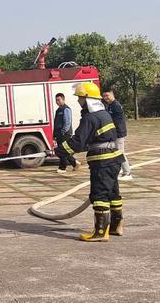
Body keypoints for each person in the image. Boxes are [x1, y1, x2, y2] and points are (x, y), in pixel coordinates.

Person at [55, 82, 125, 241]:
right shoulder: (104, 114)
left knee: (99, 194)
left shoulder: (90, 117)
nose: (79, 101)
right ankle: (116, 226)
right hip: (114, 159)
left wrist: (59, 150)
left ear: (86, 98)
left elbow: (78, 142)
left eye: (80, 97)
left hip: (102, 162)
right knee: (113, 194)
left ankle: (100, 232)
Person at [102, 89, 132, 181]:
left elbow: (118, 122)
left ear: (112, 95)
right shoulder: (110, 105)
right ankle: (119, 171)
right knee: (115, 153)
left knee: (120, 153)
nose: (105, 98)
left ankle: (127, 173)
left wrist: (113, 132)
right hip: (114, 133)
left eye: (107, 95)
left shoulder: (116, 106)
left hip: (118, 133)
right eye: (104, 96)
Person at [53, 93, 81, 173]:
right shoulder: (58, 110)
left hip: (65, 134)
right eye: (56, 100)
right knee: (62, 151)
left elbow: (67, 122)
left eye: (59, 100)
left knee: (62, 150)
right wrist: (54, 134)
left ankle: (63, 168)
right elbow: (56, 123)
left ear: (63, 99)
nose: (57, 101)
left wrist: (63, 132)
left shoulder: (66, 109)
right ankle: (74, 162)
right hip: (59, 134)